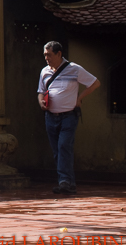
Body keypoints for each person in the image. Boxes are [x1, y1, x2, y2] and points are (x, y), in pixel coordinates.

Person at [37, 41, 100, 195]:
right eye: (45, 55)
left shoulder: (74, 69)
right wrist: (41, 102)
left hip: (68, 116)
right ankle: (68, 183)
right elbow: (41, 91)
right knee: (57, 150)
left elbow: (95, 83)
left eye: (49, 55)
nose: (47, 58)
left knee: (64, 146)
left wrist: (80, 98)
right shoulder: (44, 71)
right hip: (50, 116)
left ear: (59, 54)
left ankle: (64, 181)